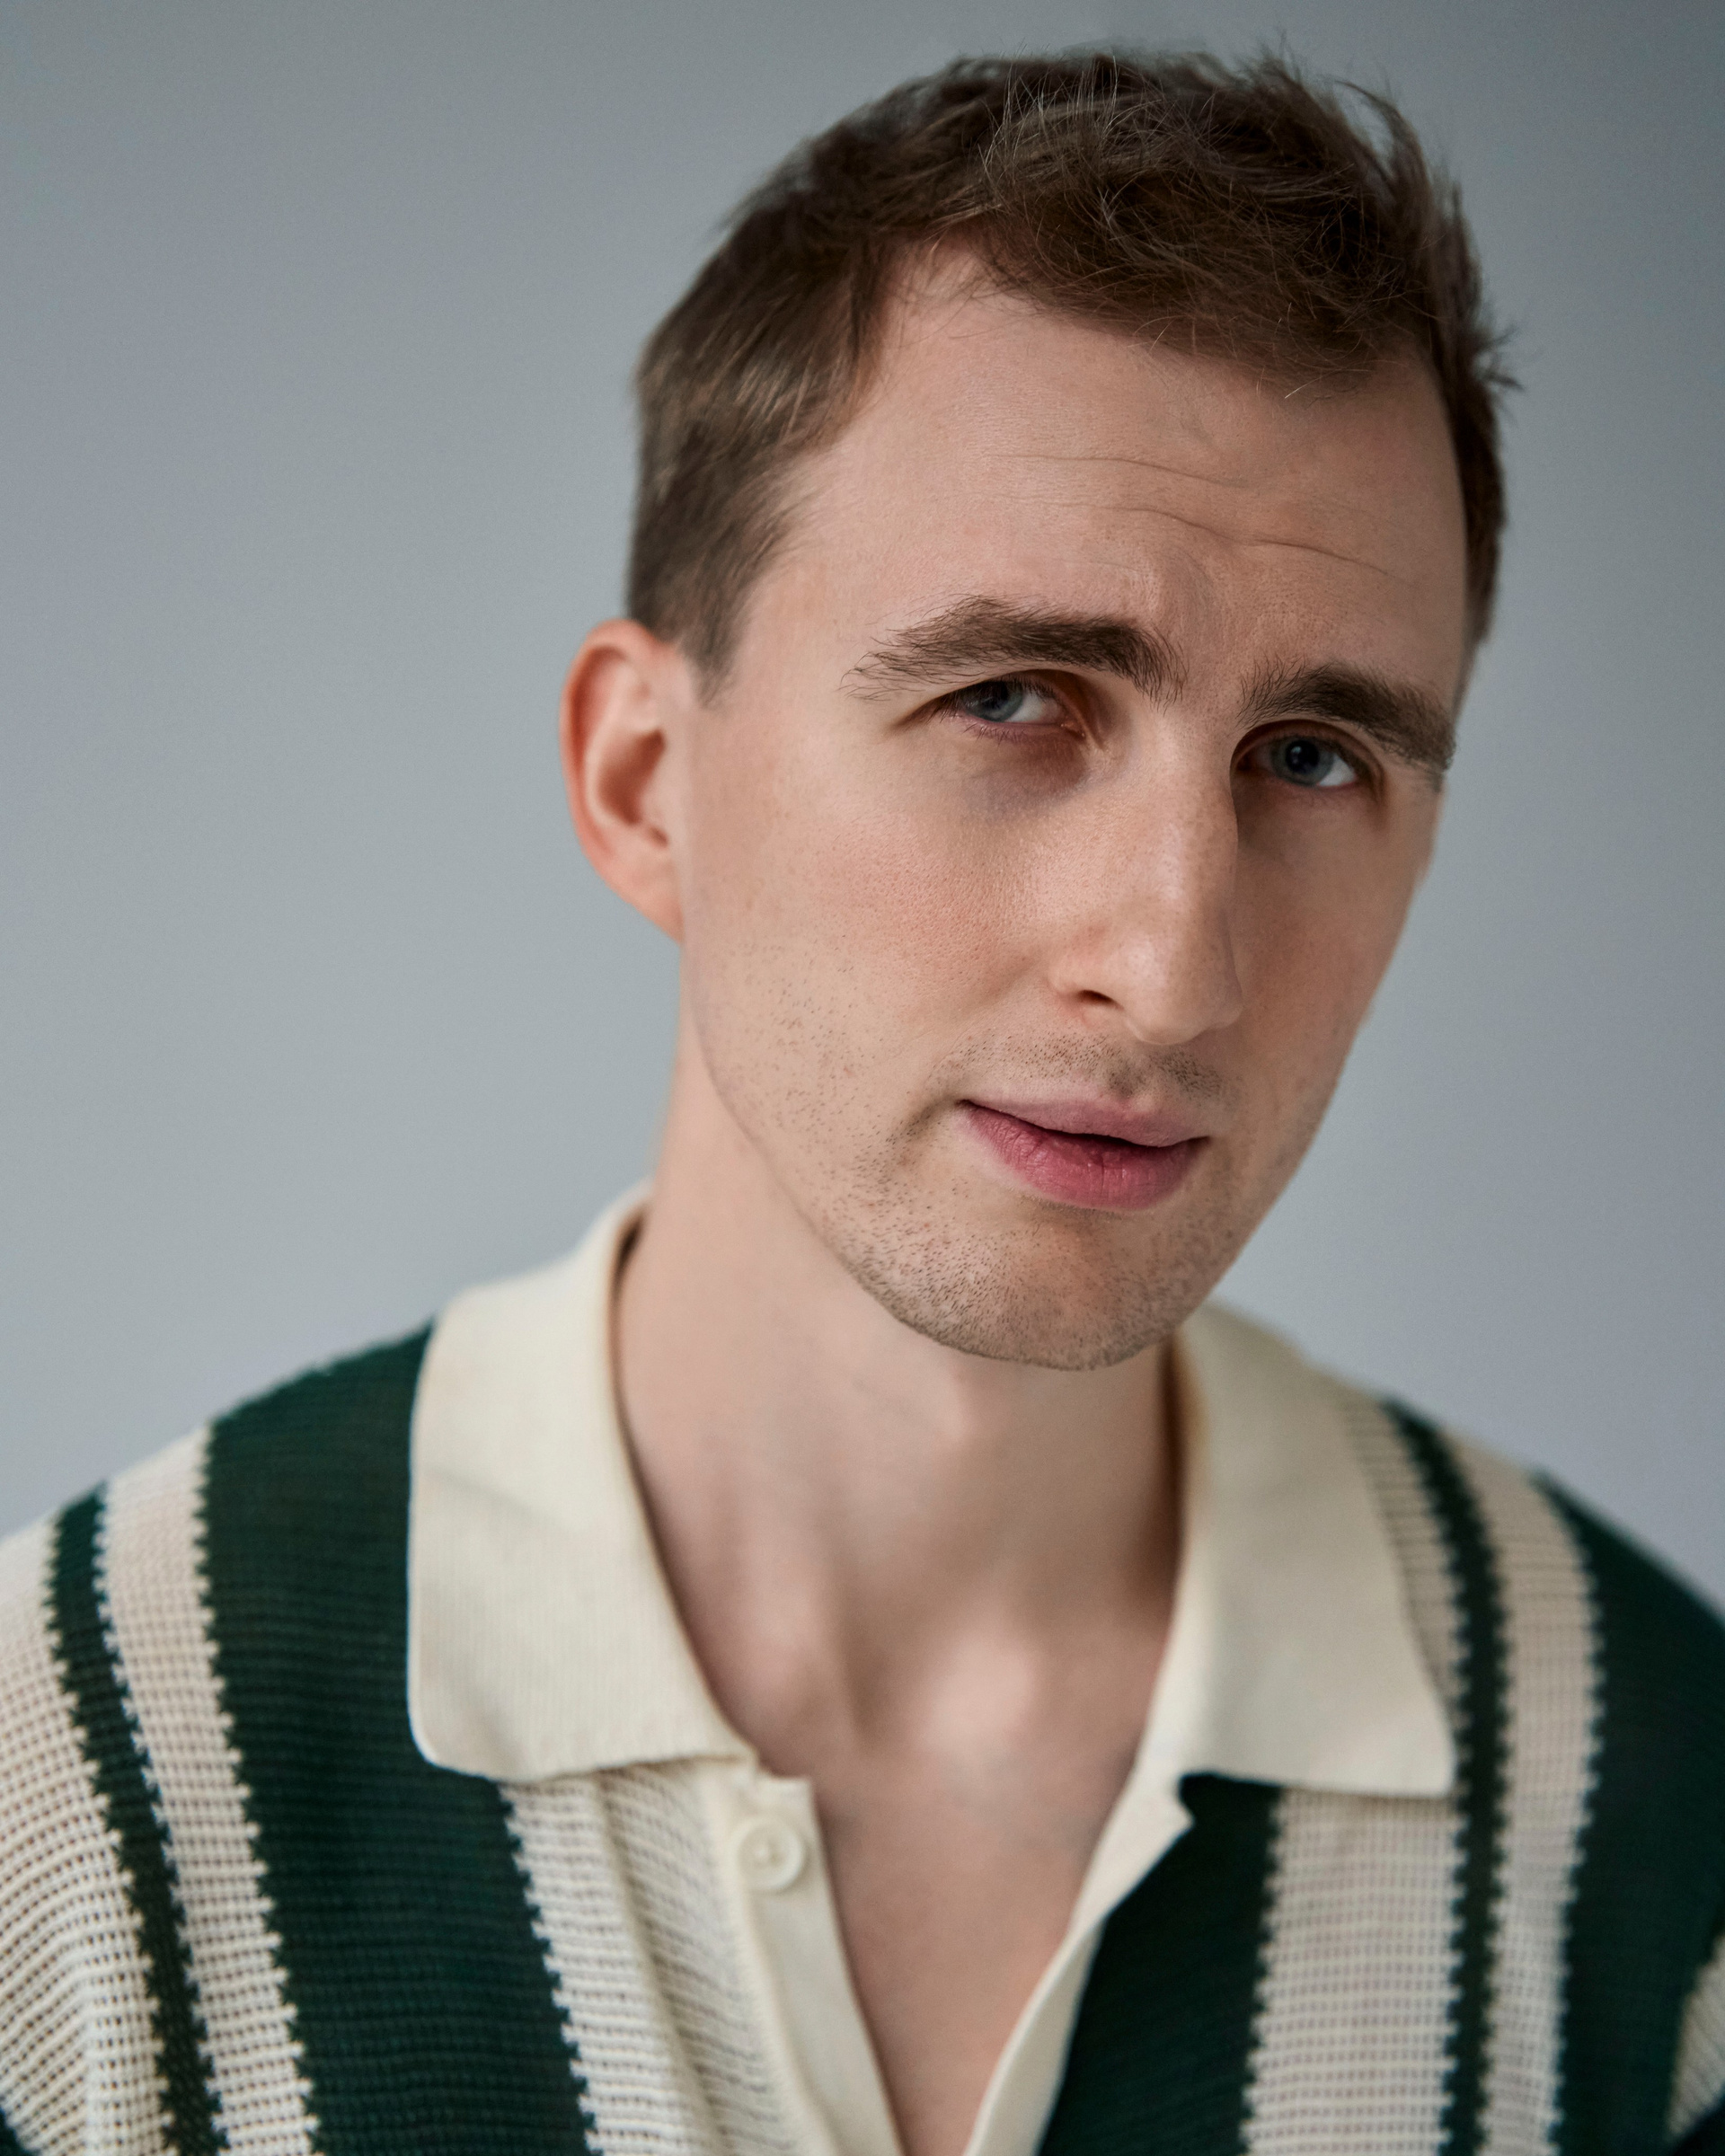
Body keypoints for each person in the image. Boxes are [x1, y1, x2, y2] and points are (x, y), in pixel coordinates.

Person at [1, 49, 1721, 2156]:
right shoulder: (71, 1795)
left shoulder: (1658, 1825)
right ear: (647, 783)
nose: (1175, 966)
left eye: (1313, 760)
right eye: (1012, 701)